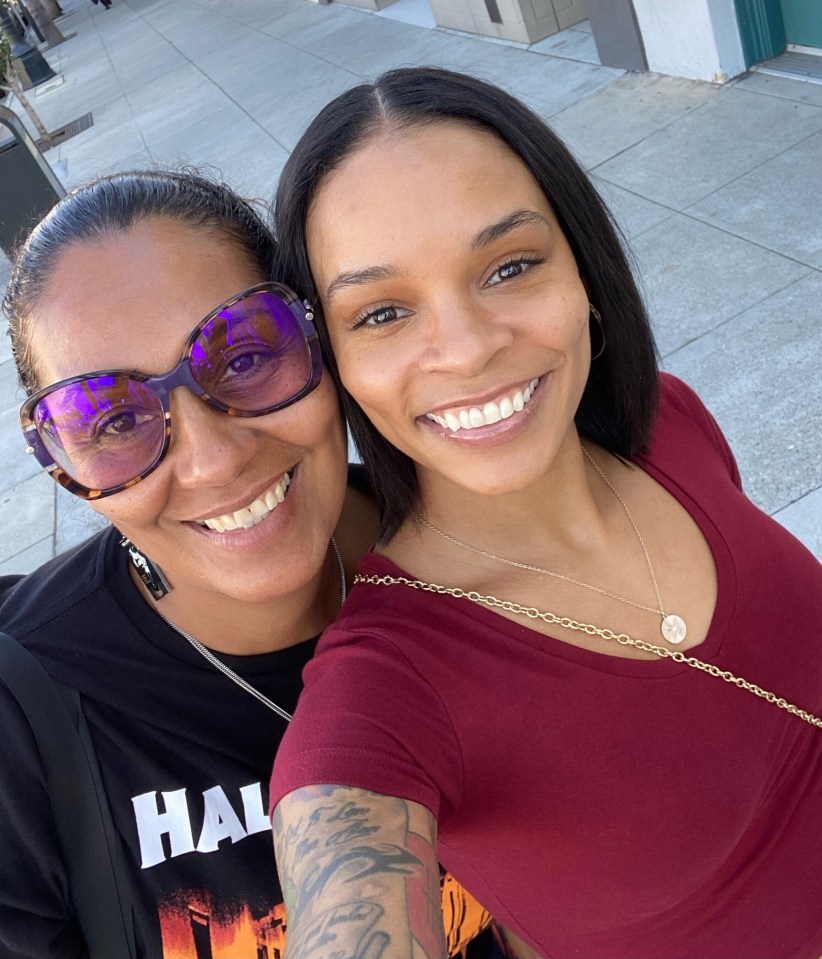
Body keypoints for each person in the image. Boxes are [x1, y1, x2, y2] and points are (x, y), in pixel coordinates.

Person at [268, 67, 822, 959]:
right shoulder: (386, 684)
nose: (469, 346)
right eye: (382, 312)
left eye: (512, 265)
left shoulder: (671, 423)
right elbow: (344, 845)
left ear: (585, 271)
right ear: (330, 360)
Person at [0, 170, 492, 958]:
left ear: (318, 343)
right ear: (65, 461)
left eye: (245, 354)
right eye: (113, 417)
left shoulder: (485, 546)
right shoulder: (23, 721)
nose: (214, 459)